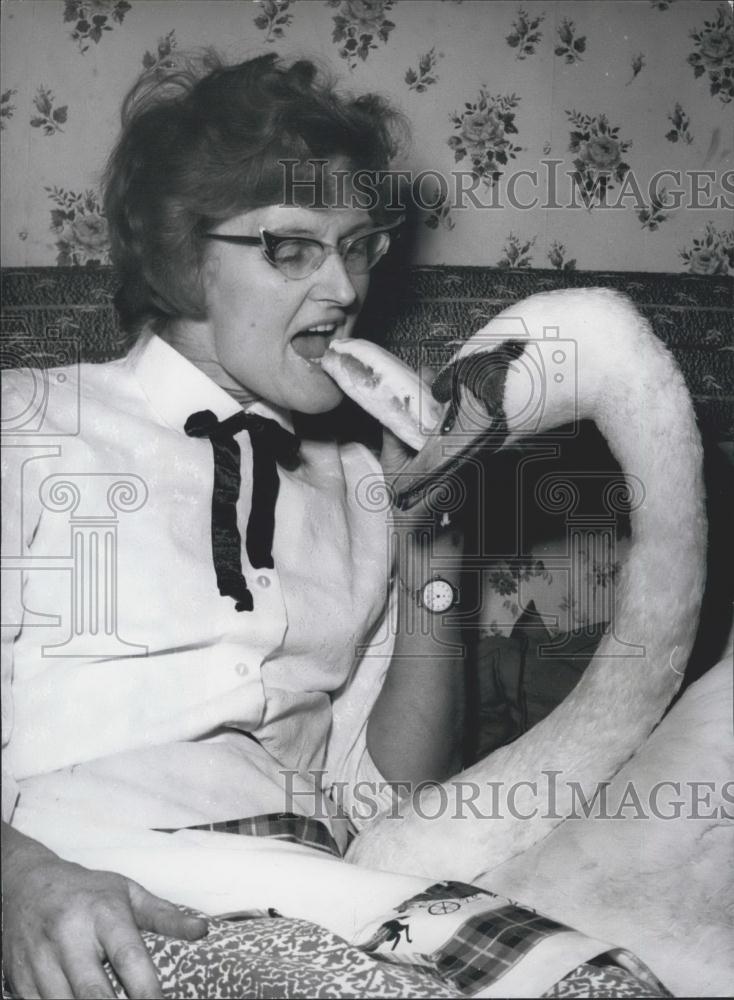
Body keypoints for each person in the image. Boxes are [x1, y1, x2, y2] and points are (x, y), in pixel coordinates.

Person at [1, 51, 468, 1000]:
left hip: (323, 887)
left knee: (607, 981)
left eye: (359, 246)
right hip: (93, 880)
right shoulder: (26, 424)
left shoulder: (365, 484)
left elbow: (390, 801)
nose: (344, 289)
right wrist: (17, 879)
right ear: (183, 258)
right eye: (293, 249)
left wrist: (436, 550)